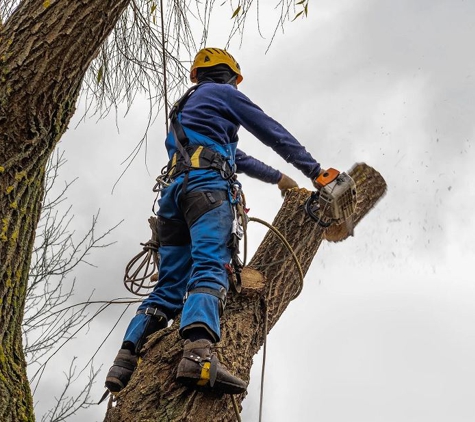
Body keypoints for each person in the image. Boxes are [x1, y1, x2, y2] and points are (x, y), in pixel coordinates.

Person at [105, 47, 323, 395]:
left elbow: (237, 157)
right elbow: (270, 130)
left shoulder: (187, 110)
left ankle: (124, 360)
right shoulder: (223, 95)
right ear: (231, 77)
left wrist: (279, 178)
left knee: (170, 284)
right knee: (210, 265)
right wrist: (315, 171)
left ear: (198, 75)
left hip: (174, 198)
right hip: (208, 191)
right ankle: (198, 356)